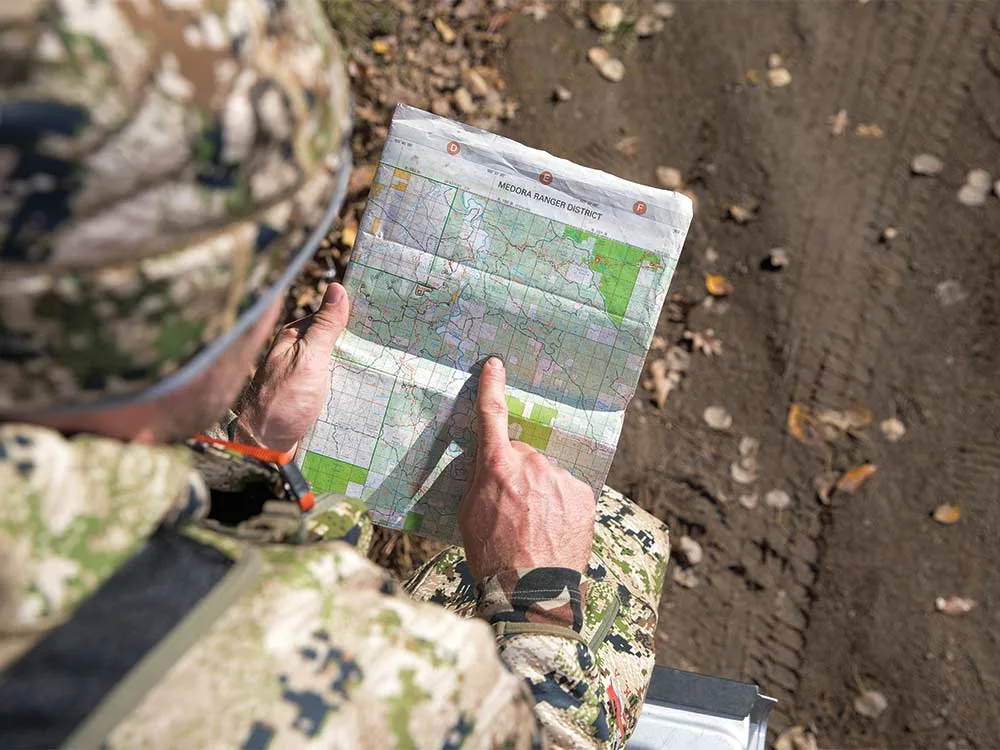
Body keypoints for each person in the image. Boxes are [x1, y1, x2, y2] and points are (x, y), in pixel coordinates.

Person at [0, 0, 670, 747]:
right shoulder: (314, 675)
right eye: (278, 270)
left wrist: (250, 456)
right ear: (206, 310)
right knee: (608, 541)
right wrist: (537, 604)